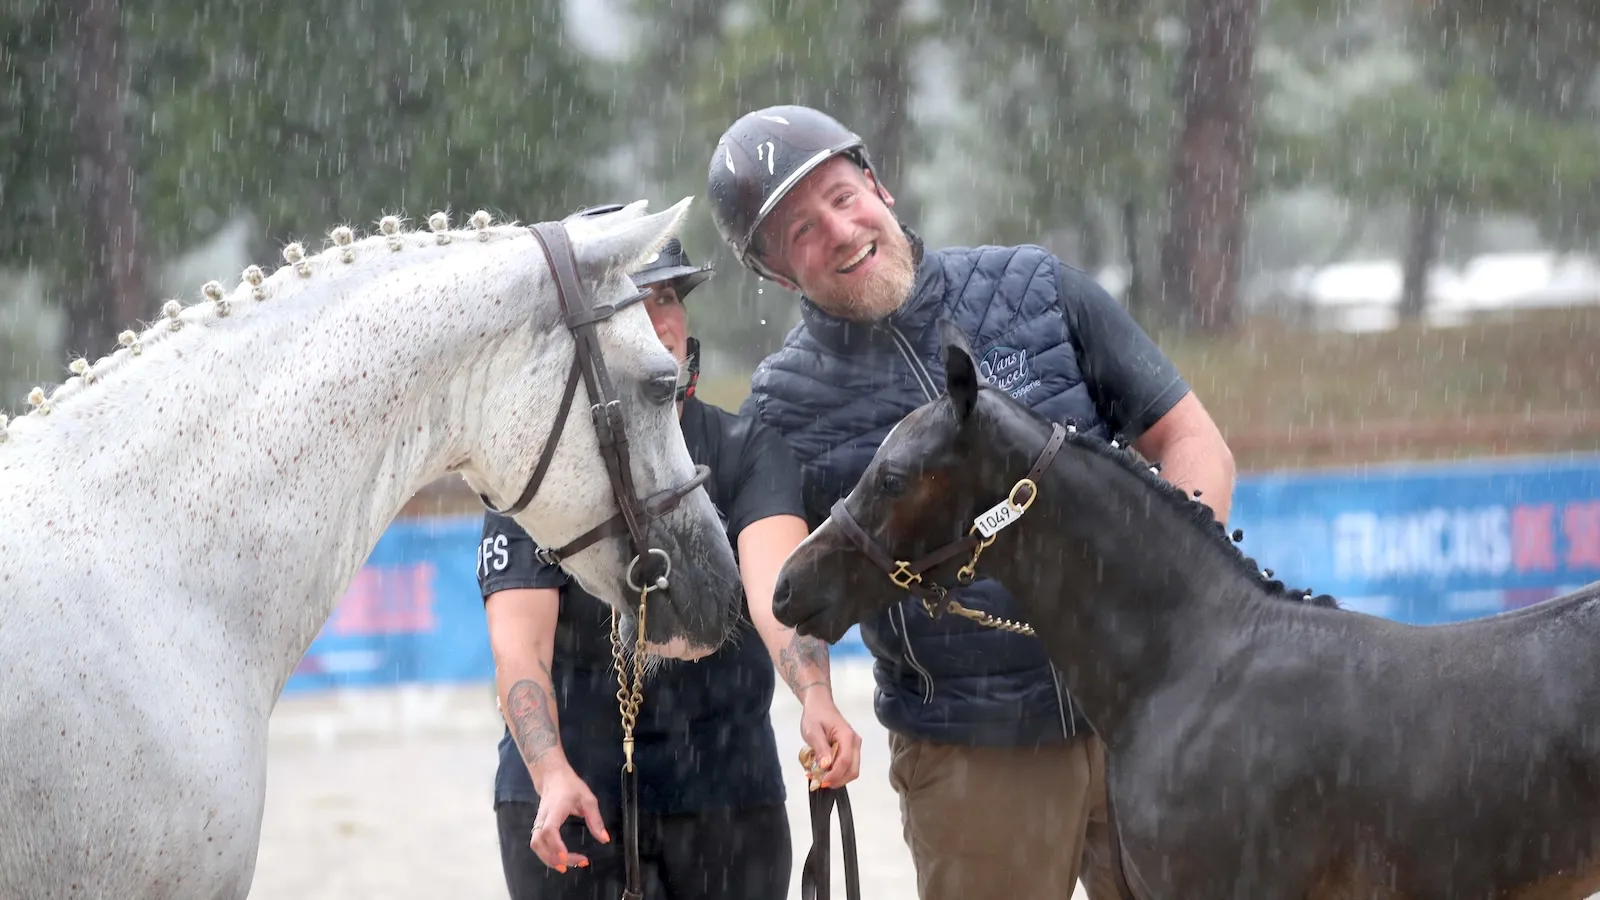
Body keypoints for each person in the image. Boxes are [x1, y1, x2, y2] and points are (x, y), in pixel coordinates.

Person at [705, 105, 1238, 900]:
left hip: (1147, 715)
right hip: (973, 753)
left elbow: (1193, 442)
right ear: (776, 273)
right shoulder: (782, 405)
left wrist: (1168, 613)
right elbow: (775, 570)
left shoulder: (1037, 287)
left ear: (879, 187)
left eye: (842, 197)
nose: (842, 231)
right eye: (802, 231)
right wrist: (813, 694)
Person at [476, 204, 863, 900]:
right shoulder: (531, 475)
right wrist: (550, 771)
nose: (656, 321)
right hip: (570, 794)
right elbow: (519, 649)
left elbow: (777, 588)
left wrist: (815, 695)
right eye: (626, 304)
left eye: (663, 298)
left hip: (726, 792)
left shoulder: (748, 449)